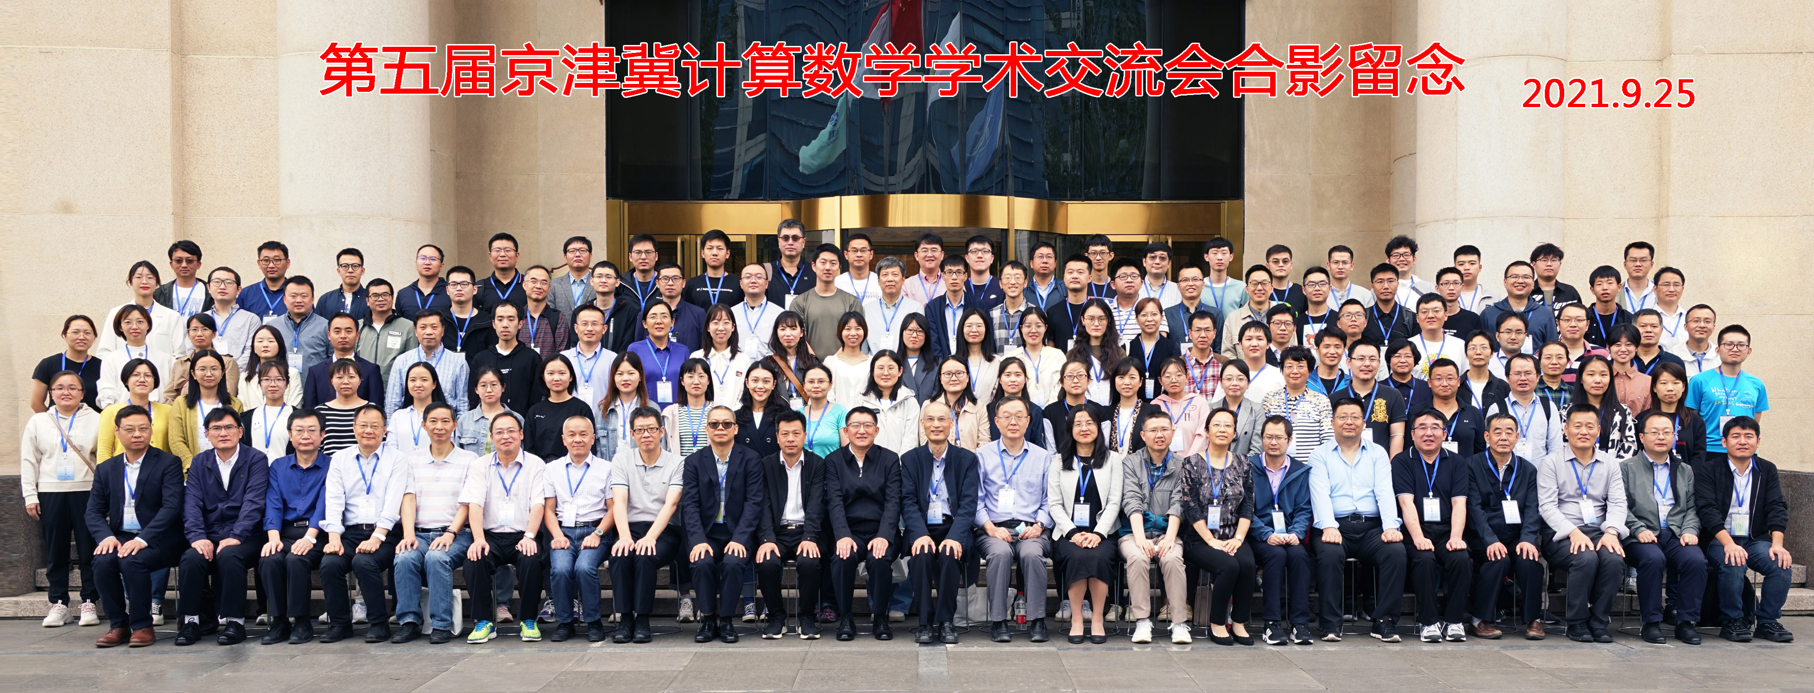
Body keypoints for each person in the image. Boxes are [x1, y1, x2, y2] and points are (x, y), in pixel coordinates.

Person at [1308, 397, 1408, 642]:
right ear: (1332, 422)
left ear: (1364, 422)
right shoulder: (1320, 454)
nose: (1349, 422)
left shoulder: (1378, 452)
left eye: (1355, 417)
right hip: (1335, 525)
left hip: (1371, 528)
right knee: (1329, 555)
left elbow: (1384, 491)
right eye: (1342, 417)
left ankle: (1384, 621)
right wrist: (1329, 526)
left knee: (1395, 552)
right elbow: (1319, 493)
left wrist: (1390, 526)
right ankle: (1330, 623)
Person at [86, 405, 185, 648]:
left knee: (132, 560)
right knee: (102, 561)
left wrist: (143, 539)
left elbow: (171, 507)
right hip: (121, 535)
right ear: (117, 432)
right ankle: (118, 625)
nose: (137, 434)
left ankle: (142, 625)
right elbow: (93, 511)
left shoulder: (168, 462)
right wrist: (105, 537)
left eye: (143, 428)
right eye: (130, 429)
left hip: (160, 538)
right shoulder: (106, 468)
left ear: (151, 430)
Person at [173, 409, 268, 646]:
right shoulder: (200, 461)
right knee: (190, 558)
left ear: (240, 431)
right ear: (207, 434)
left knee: (230, 555)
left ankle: (235, 622)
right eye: (216, 428)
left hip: (248, 536)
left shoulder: (256, 459)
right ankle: (191, 622)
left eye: (228, 427)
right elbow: (192, 502)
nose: (223, 433)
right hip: (210, 534)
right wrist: (197, 537)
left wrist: (237, 535)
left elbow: (254, 502)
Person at [1695, 416, 1793, 643]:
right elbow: (1707, 510)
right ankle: (1733, 620)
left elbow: (1776, 507)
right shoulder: (1709, 469)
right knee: (1733, 561)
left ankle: (1767, 621)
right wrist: (1729, 544)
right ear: (1724, 442)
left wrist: (1778, 544)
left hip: (1754, 538)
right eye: (1736, 436)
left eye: (1749, 436)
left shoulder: (1766, 469)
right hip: (1719, 539)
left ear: (1758, 441)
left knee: (1780, 564)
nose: (1742, 441)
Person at [1537, 404, 1629, 643]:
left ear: (1598, 430)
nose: (1583, 431)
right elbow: (1546, 506)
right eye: (1577, 426)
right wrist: (1572, 531)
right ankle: (1577, 622)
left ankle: (1598, 622)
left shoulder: (1610, 463)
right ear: (1566, 429)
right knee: (1585, 558)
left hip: (1599, 530)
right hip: (1561, 534)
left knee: (1613, 559)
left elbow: (1618, 503)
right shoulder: (1551, 462)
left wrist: (1611, 531)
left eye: (1590, 426)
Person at [389, 402, 479, 644]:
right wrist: (408, 534)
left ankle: (441, 624)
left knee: (436, 558)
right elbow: (408, 498)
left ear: (455, 425)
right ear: (424, 425)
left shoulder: (470, 459)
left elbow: (468, 502)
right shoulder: (411, 460)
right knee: (404, 557)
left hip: (457, 534)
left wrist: (450, 533)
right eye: (433, 421)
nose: (439, 426)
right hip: (419, 533)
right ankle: (408, 622)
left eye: (445, 421)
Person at [318, 405, 405, 643]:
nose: (369, 431)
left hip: (386, 533)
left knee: (364, 561)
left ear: (384, 430)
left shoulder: (397, 458)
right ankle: (339, 624)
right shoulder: (340, 458)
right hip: (350, 532)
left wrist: (377, 537)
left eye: (375, 426)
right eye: (364, 425)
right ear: (354, 428)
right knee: (330, 563)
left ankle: (378, 624)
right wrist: (333, 537)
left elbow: (394, 502)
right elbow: (333, 500)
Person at [22, 371, 103, 627]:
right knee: (56, 551)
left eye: (72, 387)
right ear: (51, 393)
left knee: (89, 549)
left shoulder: (97, 419)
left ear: (82, 393)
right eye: (59, 388)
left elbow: (104, 458)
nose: (65, 392)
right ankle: (58, 604)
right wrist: (30, 495)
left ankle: (89, 601)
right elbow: (29, 459)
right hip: (50, 492)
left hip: (87, 492)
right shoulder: (38, 421)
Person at [459, 412, 548, 644]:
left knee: (531, 560)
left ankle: (528, 620)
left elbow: (538, 504)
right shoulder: (480, 465)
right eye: (499, 432)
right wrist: (478, 539)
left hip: (523, 534)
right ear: (491, 437)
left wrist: (530, 536)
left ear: (521, 434)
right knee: (474, 560)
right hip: (490, 535)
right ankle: (483, 621)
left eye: (511, 431)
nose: (505, 436)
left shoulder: (536, 464)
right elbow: (475, 504)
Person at [1620, 411, 1707, 645]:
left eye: (1667, 432)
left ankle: (1686, 623)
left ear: (1674, 436)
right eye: (1655, 432)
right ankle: (1651, 623)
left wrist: (1690, 530)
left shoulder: (1684, 470)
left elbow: (1693, 507)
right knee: (1652, 559)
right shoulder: (1626, 468)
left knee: (1696, 561)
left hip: (1676, 533)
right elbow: (1619, 506)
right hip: (1640, 535)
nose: (1661, 437)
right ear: (1641, 437)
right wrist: (1638, 528)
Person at [972, 398, 1053, 642]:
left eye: (1019, 416)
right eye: (1007, 416)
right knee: (1000, 554)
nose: (1013, 421)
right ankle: (998, 622)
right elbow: (975, 499)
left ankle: (1037, 620)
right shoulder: (982, 455)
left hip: (1033, 529)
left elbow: (1051, 499)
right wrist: (990, 528)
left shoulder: (1043, 457)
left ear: (1028, 421)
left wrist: (1039, 525)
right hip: (993, 529)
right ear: (996, 422)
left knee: (1032, 554)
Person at [901, 400, 979, 644]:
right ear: (922, 424)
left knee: (949, 553)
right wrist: (920, 534)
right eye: (931, 419)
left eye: (942, 419)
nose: (936, 424)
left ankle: (946, 621)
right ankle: (924, 622)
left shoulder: (966, 459)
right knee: (921, 554)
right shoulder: (910, 459)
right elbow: (908, 502)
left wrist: (955, 537)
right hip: (922, 526)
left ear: (951, 423)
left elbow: (968, 504)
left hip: (953, 525)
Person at [1392, 409, 1473, 643]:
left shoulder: (1457, 462)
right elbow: (1406, 503)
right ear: (1412, 434)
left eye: (1435, 428)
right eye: (1422, 428)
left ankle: (1454, 620)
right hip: (1414, 530)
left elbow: (1459, 504)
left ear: (1444, 434)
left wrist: (1456, 537)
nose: (1429, 433)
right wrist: (1418, 537)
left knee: (1461, 559)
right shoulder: (1402, 461)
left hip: (1447, 530)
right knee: (1424, 559)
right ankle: (1428, 621)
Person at [1463, 411, 1545, 640]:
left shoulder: (1528, 469)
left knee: (1529, 559)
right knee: (1497, 560)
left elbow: (1532, 508)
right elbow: (1474, 509)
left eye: (1509, 432)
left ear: (1517, 437)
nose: (1503, 437)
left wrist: (1528, 539)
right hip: (1482, 537)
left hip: (1516, 536)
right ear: (1486, 436)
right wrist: (1490, 540)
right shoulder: (1472, 465)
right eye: (1497, 432)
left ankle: (1534, 619)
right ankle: (1480, 619)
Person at [606, 406, 685, 644]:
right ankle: (625, 619)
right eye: (640, 430)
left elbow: (671, 504)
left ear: (661, 431)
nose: (646, 434)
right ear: (632, 434)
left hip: (664, 531)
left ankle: (642, 620)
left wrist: (650, 537)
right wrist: (624, 536)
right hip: (629, 527)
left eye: (651, 429)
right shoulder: (621, 459)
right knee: (620, 555)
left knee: (645, 556)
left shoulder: (677, 463)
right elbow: (619, 501)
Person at [748, 409, 829, 640]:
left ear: (805, 435)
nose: (790, 438)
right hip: (776, 532)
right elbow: (762, 505)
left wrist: (810, 537)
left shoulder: (817, 464)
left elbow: (817, 504)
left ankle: (807, 617)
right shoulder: (765, 465)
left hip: (807, 531)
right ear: (777, 437)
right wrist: (766, 539)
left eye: (796, 433)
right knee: (767, 562)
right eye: (785, 434)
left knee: (810, 562)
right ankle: (776, 617)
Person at [1047, 404, 1123, 645]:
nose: (1084, 428)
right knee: (1077, 556)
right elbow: (1054, 503)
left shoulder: (1113, 460)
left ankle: (1097, 618)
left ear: (1098, 427)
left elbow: (1114, 501)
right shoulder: (1059, 460)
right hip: (1068, 532)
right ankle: (1077, 618)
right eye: (1078, 423)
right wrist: (1072, 533)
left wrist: (1098, 533)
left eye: (1089, 423)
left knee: (1099, 556)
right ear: (1070, 429)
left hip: (1102, 530)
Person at [824, 407, 901, 640]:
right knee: (842, 558)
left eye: (867, 425)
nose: (861, 430)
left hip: (881, 530)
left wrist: (884, 535)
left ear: (876, 430)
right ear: (846, 431)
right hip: (849, 531)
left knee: (879, 558)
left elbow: (893, 501)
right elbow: (834, 501)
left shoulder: (889, 459)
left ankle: (880, 617)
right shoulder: (834, 460)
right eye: (855, 425)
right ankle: (846, 618)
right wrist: (842, 535)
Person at [1182, 407, 1257, 646]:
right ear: (1207, 430)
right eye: (1216, 424)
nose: (1222, 429)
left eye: (1228, 425)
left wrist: (1238, 538)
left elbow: (1247, 505)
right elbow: (1190, 506)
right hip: (1199, 538)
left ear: (1235, 433)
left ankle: (1239, 622)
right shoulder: (1192, 463)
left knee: (1247, 564)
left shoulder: (1243, 463)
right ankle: (1217, 623)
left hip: (1233, 533)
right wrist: (1211, 541)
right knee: (1228, 566)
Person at [1117, 410, 1193, 644]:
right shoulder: (1130, 462)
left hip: (1168, 532)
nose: (1159, 435)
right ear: (1143, 435)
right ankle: (1142, 621)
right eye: (1153, 430)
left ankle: (1179, 622)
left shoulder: (1183, 464)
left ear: (1172, 432)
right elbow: (1131, 500)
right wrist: (1140, 538)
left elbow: (1179, 503)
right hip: (1133, 533)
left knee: (1172, 558)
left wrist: (1170, 538)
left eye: (1164, 430)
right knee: (1138, 557)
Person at [257, 409, 328, 645]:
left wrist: (309, 537)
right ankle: (279, 622)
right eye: (299, 430)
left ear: (322, 434)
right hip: (285, 532)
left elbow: (325, 505)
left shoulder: (332, 465)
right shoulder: (278, 466)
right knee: (269, 559)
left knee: (296, 559)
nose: (305, 435)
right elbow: (273, 503)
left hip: (319, 534)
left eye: (311, 430)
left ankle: (302, 621)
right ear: (290, 434)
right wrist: (273, 538)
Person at [541, 415, 614, 642]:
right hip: (563, 531)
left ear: (593, 438)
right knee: (561, 569)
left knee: (584, 568)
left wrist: (598, 534)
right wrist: (557, 535)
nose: (577, 439)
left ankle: (594, 621)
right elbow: (548, 509)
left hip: (596, 531)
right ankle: (565, 622)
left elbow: (614, 509)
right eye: (571, 435)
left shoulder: (607, 468)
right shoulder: (551, 469)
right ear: (564, 439)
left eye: (583, 434)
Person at [1244, 415, 1314, 646]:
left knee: (1299, 555)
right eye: (1268, 437)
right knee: (1275, 555)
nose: (1273, 442)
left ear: (1289, 440)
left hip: (1289, 534)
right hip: (1258, 535)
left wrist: (1296, 533)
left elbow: (1304, 508)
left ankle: (1299, 623)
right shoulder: (1247, 467)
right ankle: (1272, 623)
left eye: (1279, 437)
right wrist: (1266, 534)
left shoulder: (1300, 470)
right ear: (1261, 439)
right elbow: (1244, 508)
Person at [1684, 324, 1766, 457]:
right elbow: (1691, 419)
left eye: (1741, 345)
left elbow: (1755, 421)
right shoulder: (1699, 380)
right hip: (1708, 449)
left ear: (1749, 351)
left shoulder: (1756, 384)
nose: (1735, 349)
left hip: (1744, 451)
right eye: (1729, 344)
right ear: (1717, 350)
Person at [168, 350, 244, 468]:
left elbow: (238, 438)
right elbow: (176, 440)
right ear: (193, 374)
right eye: (202, 369)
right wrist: (193, 466)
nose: (208, 374)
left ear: (223, 372)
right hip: (192, 471)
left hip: (227, 468)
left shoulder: (234, 404)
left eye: (214, 369)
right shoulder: (181, 403)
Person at [1483, 354, 1564, 464]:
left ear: (1538, 376)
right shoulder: (1497, 408)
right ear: (1507, 378)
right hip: (1508, 472)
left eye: (1528, 373)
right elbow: (1491, 448)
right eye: (1517, 374)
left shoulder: (1549, 407)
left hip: (1541, 472)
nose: (1523, 378)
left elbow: (1555, 448)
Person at [464, 303, 540, 414]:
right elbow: (473, 399)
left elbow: (536, 399)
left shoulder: (532, 358)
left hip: (521, 422)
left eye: (511, 319)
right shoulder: (481, 359)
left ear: (520, 324)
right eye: (500, 319)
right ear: (493, 324)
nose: (505, 325)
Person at [96, 305, 175, 409]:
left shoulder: (165, 358)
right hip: (122, 414)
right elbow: (106, 389)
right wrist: (111, 412)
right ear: (120, 327)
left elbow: (171, 391)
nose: (134, 327)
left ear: (148, 325)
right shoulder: (110, 359)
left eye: (140, 322)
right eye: (128, 322)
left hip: (157, 414)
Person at [99, 261, 184, 357]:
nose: (144, 281)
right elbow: (104, 352)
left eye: (150, 277)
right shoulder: (116, 313)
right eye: (138, 277)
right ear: (130, 281)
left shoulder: (172, 316)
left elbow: (179, 355)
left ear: (157, 282)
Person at [1261, 347, 1333, 460]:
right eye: (1289, 366)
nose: (1295, 371)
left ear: (1310, 370)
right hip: (1276, 466)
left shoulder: (1321, 401)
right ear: (1282, 369)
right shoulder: (1270, 400)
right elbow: (1262, 436)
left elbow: (1328, 439)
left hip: (1310, 466)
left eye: (1300, 366)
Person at [1337, 341, 1407, 457]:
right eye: (1361, 359)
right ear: (1349, 362)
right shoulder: (1335, 398)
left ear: (1379, 363)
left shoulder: (1393, 395)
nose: (1367, 364)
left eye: (1372, 359)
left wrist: (1391, 465)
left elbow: (1397, 436)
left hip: (1380, 464)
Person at [301, 313, 382, 410]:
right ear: (329, 335)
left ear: (357, 335)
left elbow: (376, 408)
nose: (343, 336)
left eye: (348, 331)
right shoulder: (315, 372)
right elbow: (309, 410)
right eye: (337, 331)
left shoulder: (371, 370)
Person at [96, 360, 173, 460]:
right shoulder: (110, 412)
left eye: (147, 375)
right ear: (126, 380)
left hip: (162, 469)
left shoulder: (168, 411)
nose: (142, 379)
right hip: (123, 469)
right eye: (136, 375)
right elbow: (103, 452)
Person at [626, 300, 693, 409]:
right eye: (653, 317)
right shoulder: (635, 349)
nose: (659, 321)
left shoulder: (683, 351)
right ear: (644, 323)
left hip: (677, 412)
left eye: (664, 316)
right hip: (645, 413)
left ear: (672, 322)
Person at [1480, 261, 1557, 351]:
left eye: (1526, 277)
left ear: (1533, 283)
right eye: (1514, 276)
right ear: (1505, 282)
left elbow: (1553, 349)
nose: (1520, 281)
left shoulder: (1544, 314)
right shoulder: (1489, 314)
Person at [525, 356, 592, 460]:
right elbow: (529, 449)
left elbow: (589, 445)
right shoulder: (534, 411)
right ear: (543, 377)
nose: (556, 378)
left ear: (571, 377)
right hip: (541, 467)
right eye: (550, 373)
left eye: (562, 373)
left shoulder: (582, 409)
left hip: (574, 466)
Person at [31, 315, 102, 413]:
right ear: (65, 335)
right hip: (57, 421)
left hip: (92, 421)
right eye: (75, 332)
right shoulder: (48, 364)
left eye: (87, 333)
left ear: (94, 337)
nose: (82, 337)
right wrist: (51, 420)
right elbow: (36, 404)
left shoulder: (103, 366)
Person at [1573, 356, 1638, 459]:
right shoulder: (1567, 412)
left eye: (1603, 375)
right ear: (1581, 379)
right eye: (1591, 374)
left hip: (1614, 468)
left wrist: (1613, 468)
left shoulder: (1622, 411)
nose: (1597, 380)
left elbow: (1629, 445)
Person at [262, 277, 331, 373]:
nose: (298, 300)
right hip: (280, 381)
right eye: (293, 296)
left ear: (312, 299)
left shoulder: (326, 326)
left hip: (314, 382)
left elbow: (333, 359)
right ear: (285, 299)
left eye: (304, 296)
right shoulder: (272, 326)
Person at [357, 279, 419, 385]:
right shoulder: (357, 326)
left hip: (394, 388)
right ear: (367, 300)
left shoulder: (408, 327)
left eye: (385, 295)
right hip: (362, 388)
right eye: (375, 296)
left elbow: (412, 362)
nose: (380, 299)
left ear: (392, 298)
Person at [636, 263, 707, 350]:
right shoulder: (645, 314)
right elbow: (638, 348)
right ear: (657, 283)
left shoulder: (698, 314)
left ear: (683, 283)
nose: (670, 283)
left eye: (675, 279)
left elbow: (704, 348)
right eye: (665, 279)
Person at [1424, 359, 1487, 458]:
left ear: (1458, 381)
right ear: (1429, 382)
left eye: (1450, 378)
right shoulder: (1418, 413)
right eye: (1438, 379)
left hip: (1466, 468)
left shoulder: (1473, 413)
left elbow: (1481, 452)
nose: (1444, 384)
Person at [1067, 300, 1126, 404]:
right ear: (1083, 320)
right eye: (1091, 319)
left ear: (1108, 320)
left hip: (1113, 408)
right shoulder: (1073, 354)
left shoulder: (1119, 353)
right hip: (1083, 410)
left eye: (1101, 319)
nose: (1096, 324)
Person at [1003, 308, 1065, 406]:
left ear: (1045, 328)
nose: (1033, 330)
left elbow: (1062, 387)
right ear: (1021, 328)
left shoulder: (1058, 355)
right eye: (1028, 326)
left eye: (1038, 326)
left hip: (1053, 411)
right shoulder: (1011, 357)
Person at [203, 267, 261, 370]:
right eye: (216, 282)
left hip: (239, 376)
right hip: (206, 376)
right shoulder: (200, 319)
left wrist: (230, 372)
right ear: (208, 287)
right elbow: (191, 350)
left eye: (229, 282)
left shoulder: (251, 319)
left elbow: (250, 353)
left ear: (239, 290)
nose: (222, 287)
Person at [1649, 362, 1707, 464]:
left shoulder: (1695, 421)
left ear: (1684, 387)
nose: (1670, 388)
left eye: (1676, 383)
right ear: (1654, 387)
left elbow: (1699, 455)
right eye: (1663, 383)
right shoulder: (1644, 419)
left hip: (1687, 473)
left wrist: (1689, 473)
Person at [863, 257, 923, 354]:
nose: (890, 279)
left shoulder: (915, 308)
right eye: (885, 275)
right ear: (878, 281)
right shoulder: (867, 310)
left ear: (903, 280)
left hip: (904, 362)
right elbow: (863, 347)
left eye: (895, 274)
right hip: (873, 362)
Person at [386, 362, 445, 459]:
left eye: (424, 380)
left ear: (434, 384)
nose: (418, 384)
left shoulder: (443, 415)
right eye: (412, 380)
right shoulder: (398, 416)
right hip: (402, 467)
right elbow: (391, 448)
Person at [1210, 359, 1264, 459]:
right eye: (1229, 379)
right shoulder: (1210, 408)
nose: (1234, 383)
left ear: (1248, 383)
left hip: (1246, 466)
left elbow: (1257, 449)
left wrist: (1238, 466)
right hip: (1212, 465)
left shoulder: (1256, 409)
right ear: (1221, 382)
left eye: (1240, 379)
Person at [1220, 265, 1277, 359]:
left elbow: (1292, 351)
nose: (1259, 288)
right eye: (1254, 284)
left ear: (1271, 288)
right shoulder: (1233, 318)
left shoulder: (1283, 317)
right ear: (1247, 289)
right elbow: (1228, 355)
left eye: (1264, 283)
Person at [316, 359, 371, 456]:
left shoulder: (371, 410)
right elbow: (316, 446)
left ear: (359, 380)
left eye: (351, 377)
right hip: (330, 464)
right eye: (340, 377)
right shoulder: (320, 412)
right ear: (332, 381)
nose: (345, 382)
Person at [1126, 298, 1179, 399]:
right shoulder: (1127, 348)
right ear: (1137, 320)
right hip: (1135, 403)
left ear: (1161, 317)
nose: (1149, 319)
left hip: (1164, 403)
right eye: (1144, 315)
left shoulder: (1172, 347)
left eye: (1154, 314)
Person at [734, 361, 787, 459]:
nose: (760, 386)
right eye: (755, 380)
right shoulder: (736, 417)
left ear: (774, 384)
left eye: (766, 381)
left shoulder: (786, 415)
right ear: (747, 383)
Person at [1201, 239, 1249, 346]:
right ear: (1206, 257)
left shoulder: (1241, 287)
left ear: (1231, 256)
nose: (1219, 257)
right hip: (1204, 340)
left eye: (1224, 253)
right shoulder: (1199, 286)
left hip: (1234, 341)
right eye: (1214, 253)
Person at [925, 256, 973, 360]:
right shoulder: (932, 307)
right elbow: (933, 341)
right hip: (941, 365)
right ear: (942, 276)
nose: (954, 277)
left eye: (959, 272)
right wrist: (942, 365)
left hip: (971, 363)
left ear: (965, 276)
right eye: (949, 272)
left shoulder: (978, 305)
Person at [457, 367, 513, 456]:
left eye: (494, 385)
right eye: (483, 385)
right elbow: (456, 453)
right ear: (476, 389)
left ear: (503, 387)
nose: (489, 390)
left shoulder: (516, 419)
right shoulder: (464, 420)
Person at [242, 325, 302, 407]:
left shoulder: (292, 374)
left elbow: (295, 407)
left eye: (271, 341)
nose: (265, 345)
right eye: (260, 341)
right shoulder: (244, 377)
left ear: (280, 345)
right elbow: (243, 408)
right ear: (253, 347)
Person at [518, 265, 571, 358]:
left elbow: (562, 355)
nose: (538, 286)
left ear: (549, 288)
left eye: (543, 282)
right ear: (524, 285)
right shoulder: (516, 317)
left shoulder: (558, 319)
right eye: (533, 281)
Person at [1410, 294, 1466, 379]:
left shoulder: (1460, 345)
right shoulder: (1408, 346)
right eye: (1424, 312)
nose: (1430, 316)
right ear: (1417, 318)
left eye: (1436, 311)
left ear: (1446, 315)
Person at [1047, 254, 1094, 352]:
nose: (1075, 276)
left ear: (1090, 278)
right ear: (1064, 277)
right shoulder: (1053, 311)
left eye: (1080, 272)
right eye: (1070, 272)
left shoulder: (1097, 310)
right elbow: (1050, 348)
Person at [733, 263, 781, 360]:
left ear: (766, 284)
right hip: (738, 367)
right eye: (748, 277)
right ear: (741, 284)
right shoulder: (731, 313)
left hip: (770, 367)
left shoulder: (779, 313)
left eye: (759, 277)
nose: (753, 280)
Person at [824, 312, 871, 408]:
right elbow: (828, 394)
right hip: (838, 415)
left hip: (865, 415)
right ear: (840, 332)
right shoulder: (831, 362)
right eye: (848, 329)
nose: (853, 333)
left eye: (858, 328)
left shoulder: (872, 362)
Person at [686, 231, 742, 309]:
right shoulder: (692, 284)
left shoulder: (739, 284)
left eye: (720, 248)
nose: (714, 253)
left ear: (727, 254)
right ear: (702, 253)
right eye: (710, 248)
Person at [764, 220, 814, 307]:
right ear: (779, 242)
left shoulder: (814, 272)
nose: (790, 242)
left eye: (795, 238)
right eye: (785, 238)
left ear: (803, 242)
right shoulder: (765, 271)